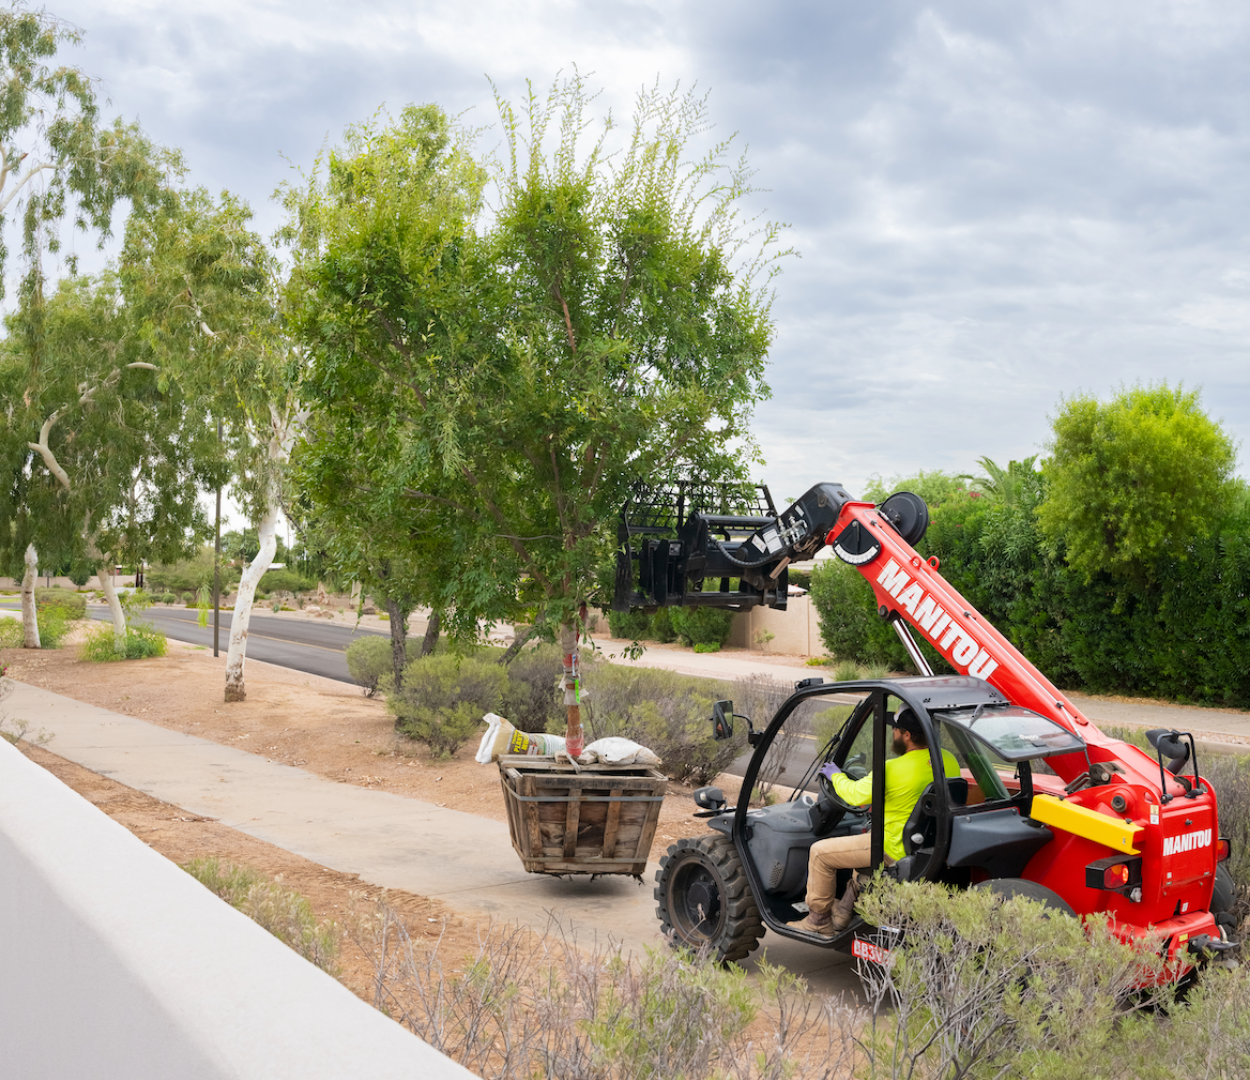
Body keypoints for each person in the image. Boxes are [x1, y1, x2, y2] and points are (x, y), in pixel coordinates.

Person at [788, 706, 960, 936]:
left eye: (896, 730)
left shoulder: (892, 768)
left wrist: (835, 776)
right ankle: (842, 915)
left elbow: (856, 795)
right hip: (925, 844)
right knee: (862, 841)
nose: (893, 734)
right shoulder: (947, 759)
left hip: (892, 847)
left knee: (820, 852)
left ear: (907, 735)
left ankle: (818, 921)